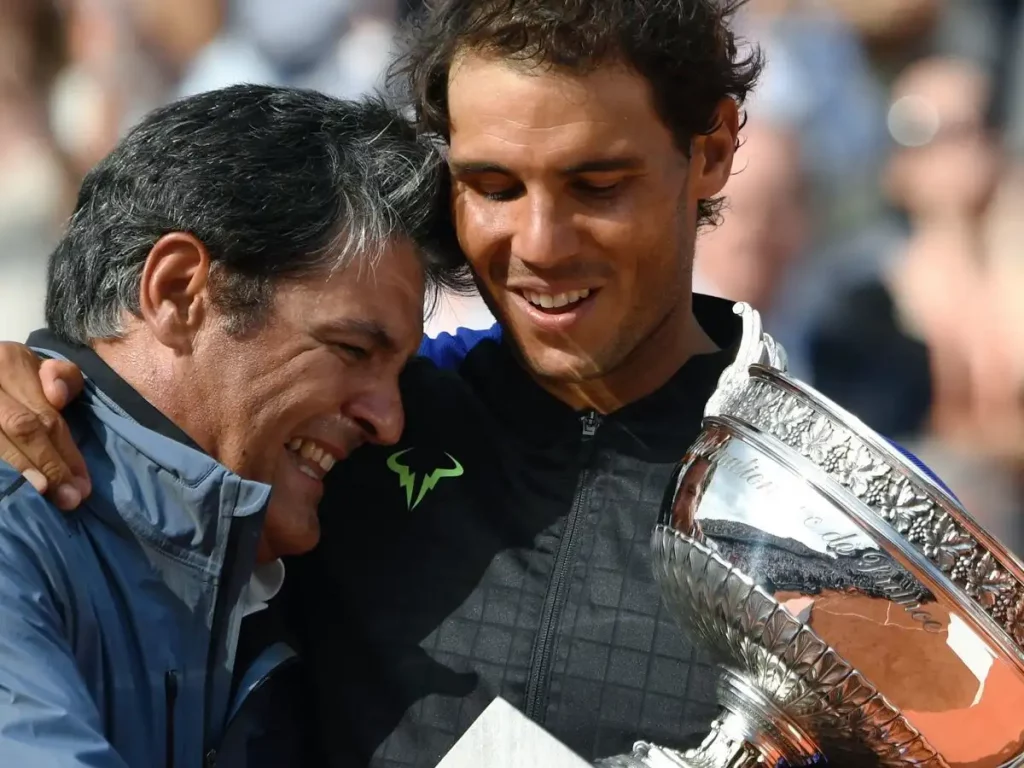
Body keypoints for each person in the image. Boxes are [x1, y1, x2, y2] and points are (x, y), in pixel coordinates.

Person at [0, 1, 764, 765]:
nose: (541, 244)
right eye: (494, 186)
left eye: (597, 185)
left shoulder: (804, 522)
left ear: (714, 149)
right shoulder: (309, 454)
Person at [0, 84, 464, 767]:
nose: (389, 422)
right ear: (179, 292)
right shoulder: (18, 528)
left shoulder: (281, 553)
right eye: (352, 351)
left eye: (396, 372)